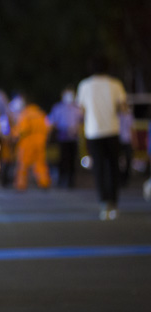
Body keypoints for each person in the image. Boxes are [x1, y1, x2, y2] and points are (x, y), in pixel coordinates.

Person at [76, 55, 127, 220]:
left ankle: (103, 202)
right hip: (112, 130)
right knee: (113, 167)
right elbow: (123, 108)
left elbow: (81, 110)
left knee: (98, 167)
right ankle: (114, 202)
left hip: (93, 131)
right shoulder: (115, 84)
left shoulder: (84, 85)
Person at [11, 95, 51, 191]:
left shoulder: (26, 114)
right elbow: (47, 128)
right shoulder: (41, 114)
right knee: (40, 163)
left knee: (23, 165)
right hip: (40, 142)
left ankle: (21, 184)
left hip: (27, 143)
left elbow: (23, 129)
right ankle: (44, 182)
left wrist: (14, 134)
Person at [47, 86, 83, 188]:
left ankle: (71, 181)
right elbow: (51, 122)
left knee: (73, 160)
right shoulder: (58, 108)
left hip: (74, 138)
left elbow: (83, 119)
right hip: (62, 137)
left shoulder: (78, 108)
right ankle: (62, 179)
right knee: (63, 160)